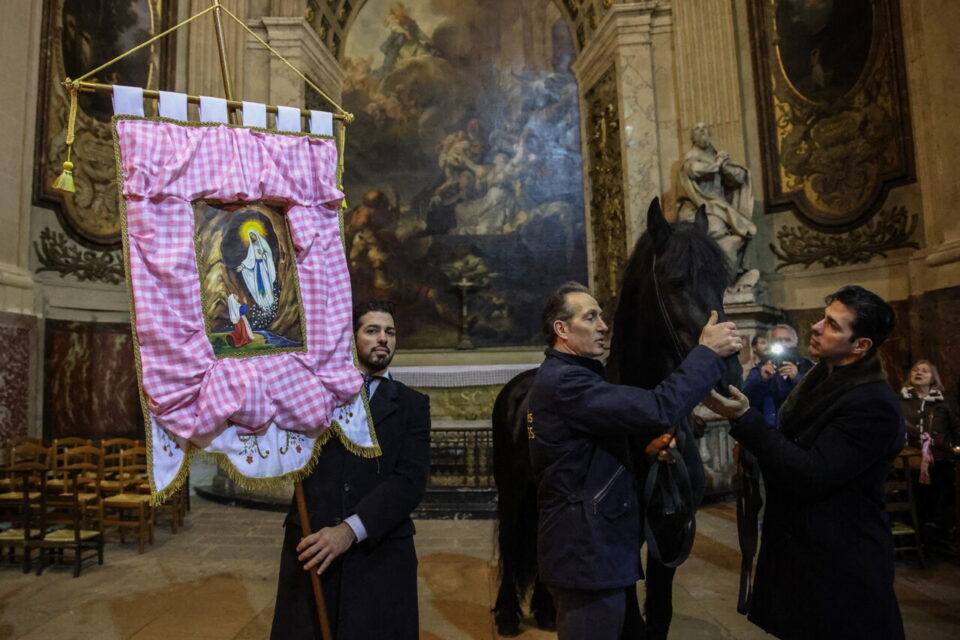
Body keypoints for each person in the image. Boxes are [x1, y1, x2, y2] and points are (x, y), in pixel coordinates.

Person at [527, 281, 742, 639]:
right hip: (587, 553)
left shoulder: (572, 377)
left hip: (595, 548)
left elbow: (580, 457)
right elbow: (658, 408)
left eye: (602, 316)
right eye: (591, 317)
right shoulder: (567, 382)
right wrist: (705, 353)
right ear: (561, 329)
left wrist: (641, 455)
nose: (603, 326)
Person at [705, 285, 906, 640]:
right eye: (822, 318)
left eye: (831, 324)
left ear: (860, 346)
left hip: (840, 561)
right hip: (805, 550)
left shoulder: (871, 403)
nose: (815, 326)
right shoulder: (822, 378)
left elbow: (811, 472)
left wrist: (747, 420)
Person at [270, 301, 431, 640]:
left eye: (390, 332)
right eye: (372, 330)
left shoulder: (413, 405)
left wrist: (349, 530)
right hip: (313, 544)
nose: (383, 339)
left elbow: (410, 481)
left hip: (378, 551)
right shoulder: (315, 393)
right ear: (352, 338)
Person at [676, 122, 756, 279]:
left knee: (746, 231)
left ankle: (732, 272)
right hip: (700, 206)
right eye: (698, 129)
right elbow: (695, 171)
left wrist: (725, 165)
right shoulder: (691, 157)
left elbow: (739, 178)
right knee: (716, 232)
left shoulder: (717, 155)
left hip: (718, 205)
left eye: (705, 128)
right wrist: (718, 163)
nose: (702, 131)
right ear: (693, 137)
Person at [900, 359, 959, 538]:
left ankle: (941, 537)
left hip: (940, 459)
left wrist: (954, 447)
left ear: (933, 378)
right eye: (915, 370)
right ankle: (921, 537)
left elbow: (956, 427)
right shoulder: (901, 402)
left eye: (925, 371)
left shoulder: (943, 403)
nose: (919, 373)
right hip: (910, 461)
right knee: (918, 501)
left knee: (942, 501)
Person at [742, 324, 814, 427]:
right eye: (778, 341)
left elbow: (817, 397)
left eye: (787, 340)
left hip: (801, 428)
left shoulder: (808, 367)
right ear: (770, 343)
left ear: (795, 342)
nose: (783, 344)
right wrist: (761, 380)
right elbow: (746, 400)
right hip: (770, 429)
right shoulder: (760, 369)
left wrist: (797, 378)